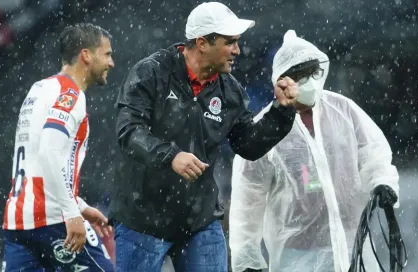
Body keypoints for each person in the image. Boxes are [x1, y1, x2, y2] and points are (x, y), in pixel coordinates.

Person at [108, 2, 299, 271]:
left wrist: (282, 110)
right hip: (142, 219)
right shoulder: (150, 72)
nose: (237, 50)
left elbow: (249, 145)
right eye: (229, 42)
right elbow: (129, 132)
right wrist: (171, 156)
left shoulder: (230, 91)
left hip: (199, 221)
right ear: (201, 43)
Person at [229, 29, 400, 272]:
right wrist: (246, 259)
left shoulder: (343, 110)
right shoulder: (264, 130)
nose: (309, 81)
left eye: (313, 73)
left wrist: (382, 182)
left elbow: (373, 152)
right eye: (300, 75)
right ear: (282, 80)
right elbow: (248, 200)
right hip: (297, 255)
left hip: (354, 244)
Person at [2, 23, 115, 271]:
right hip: (52, 220)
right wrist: (72, 212)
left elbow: (36, 161)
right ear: (86, 55)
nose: (111, 63)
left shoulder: (38, 89)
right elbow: (49, 152)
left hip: (18, 223)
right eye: (106, 54)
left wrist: (82, 207)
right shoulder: (71, 95)